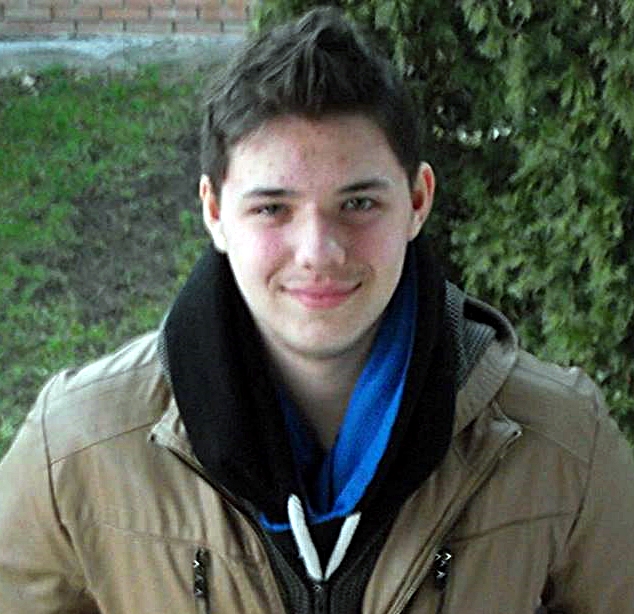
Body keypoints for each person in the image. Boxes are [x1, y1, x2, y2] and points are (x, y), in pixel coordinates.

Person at [1, 7, 633, 613]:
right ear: (214, 212)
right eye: (272, 208)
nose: (318, 252)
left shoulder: (563, 444)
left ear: (417, 200)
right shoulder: (77, 447)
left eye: (358, 204)